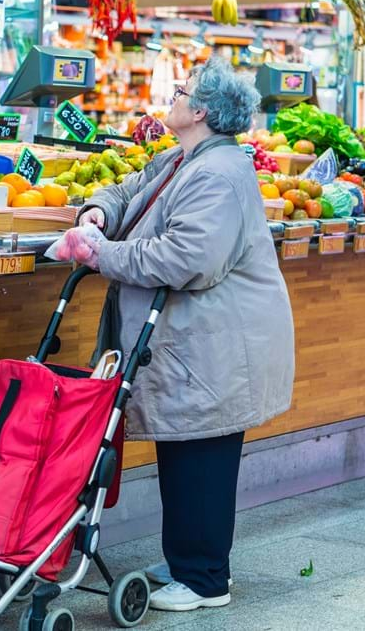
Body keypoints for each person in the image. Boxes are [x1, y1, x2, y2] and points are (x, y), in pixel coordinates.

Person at [76, 58, 295, 613]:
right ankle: (187, 562)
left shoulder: (218, 174)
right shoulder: (183, 159)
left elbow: (187, 258)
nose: (173, 96)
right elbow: (127, 189)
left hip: (217, 348)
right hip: (198, 345)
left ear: (200, 111)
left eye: (182, 91)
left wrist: (104, 255)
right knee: (186, 452)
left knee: (203, 459)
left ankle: (205, 580)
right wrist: (97, 214)